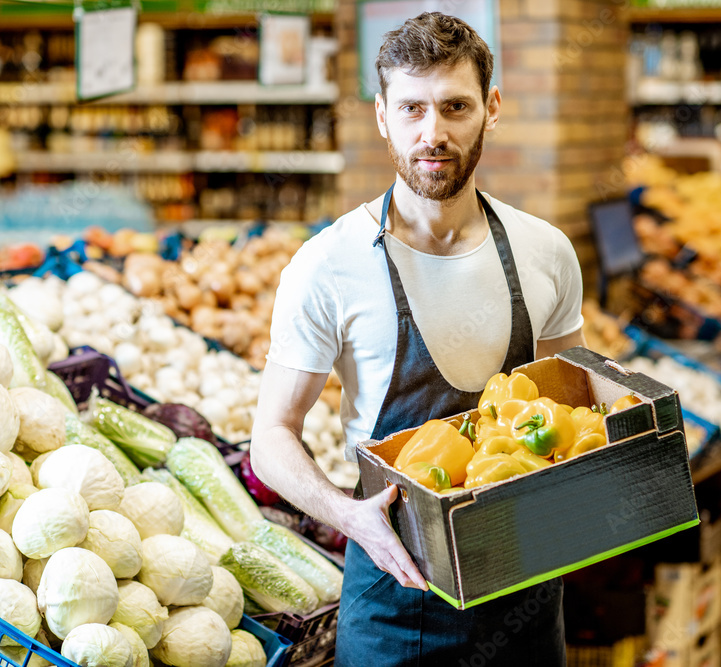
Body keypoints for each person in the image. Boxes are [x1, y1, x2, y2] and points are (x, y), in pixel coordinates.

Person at [250, 11, 585, 666]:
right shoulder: (329, 264)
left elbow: (570, 411)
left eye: (455, 106)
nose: (433, 133)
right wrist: (347, 518)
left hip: (525, 598)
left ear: (491, 108)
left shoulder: (547, 254)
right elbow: (271, 436)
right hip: (392, 597)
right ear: (382, 115)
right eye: (411, 109)